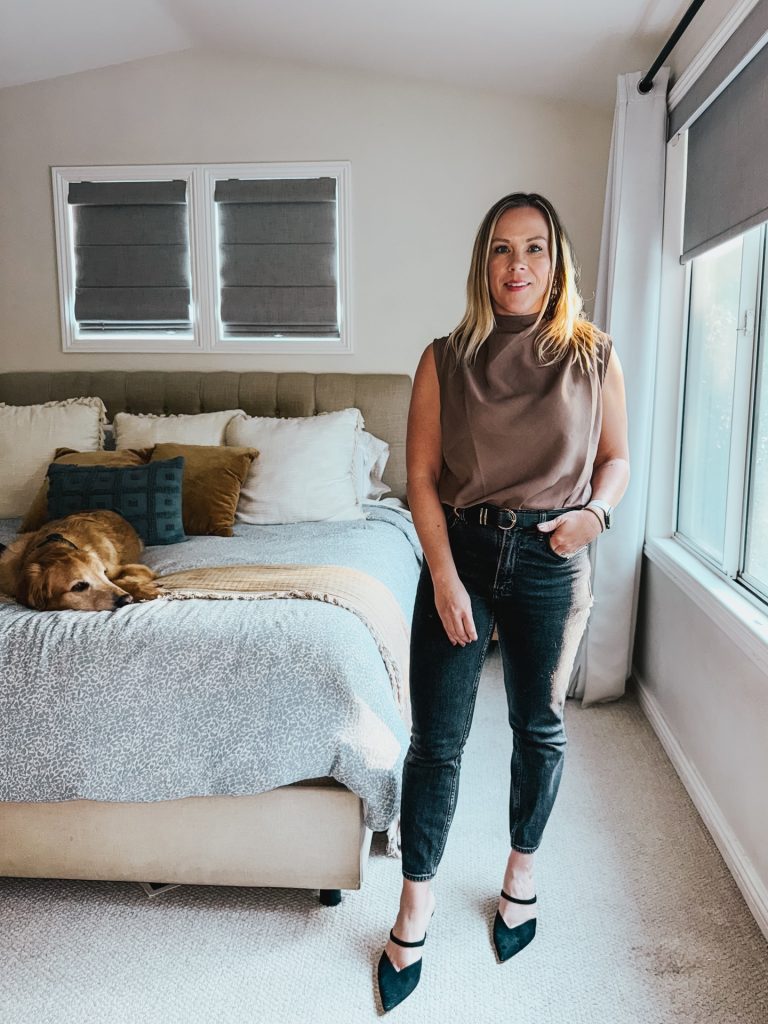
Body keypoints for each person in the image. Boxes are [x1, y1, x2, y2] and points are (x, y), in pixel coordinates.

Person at [376, 192, 630, 1012]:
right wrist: (444, 576)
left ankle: (521, 873)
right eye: (500, 249)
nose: (516, 266)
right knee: (437, 740)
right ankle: (417, 899)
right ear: (481, 263)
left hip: (555, 555)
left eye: (534, 249)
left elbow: (617, 459)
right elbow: (418, 478)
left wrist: (593, 516)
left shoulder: (593, 354)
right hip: (463, 551)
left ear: (557, 264)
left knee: (539, 725)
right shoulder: (444, 357)